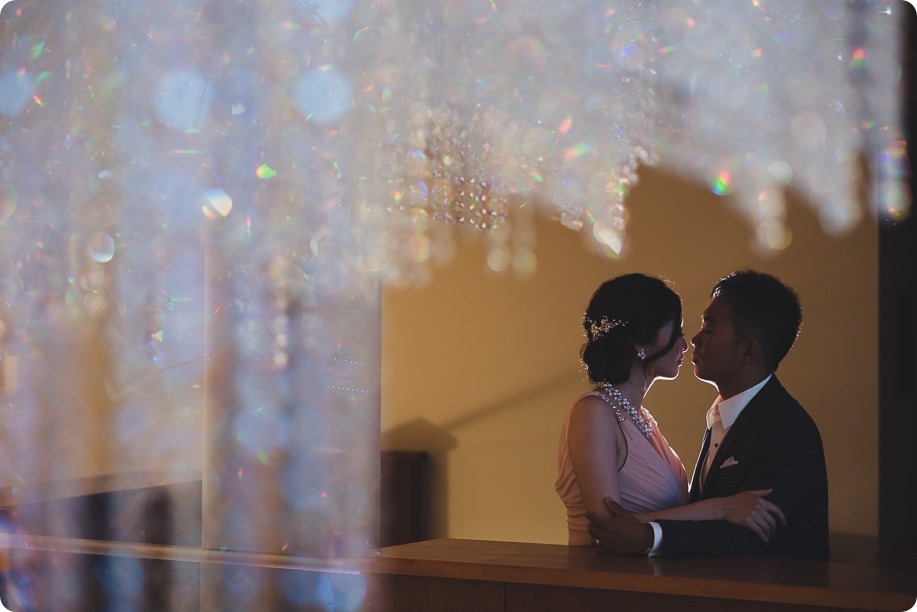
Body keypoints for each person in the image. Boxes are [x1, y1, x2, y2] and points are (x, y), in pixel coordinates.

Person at [587, 269, 829, 560]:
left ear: (748, 352)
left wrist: (652, 535)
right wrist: (719, 508)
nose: (695, 340)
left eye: (709, 329)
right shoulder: (721, 415)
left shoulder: (787, 430)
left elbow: (761, 536)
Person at [555, 273, 785, 548]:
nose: (686, 344)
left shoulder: (644, 420)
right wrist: (719, 509)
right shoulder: (592, 412)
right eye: (676, 332)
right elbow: (608, 526)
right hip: (601, 581)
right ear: (640, 341)